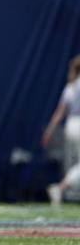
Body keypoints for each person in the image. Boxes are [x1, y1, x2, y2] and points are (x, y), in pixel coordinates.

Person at [43, 55, 80, 206]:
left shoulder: (70, 86)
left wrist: (49, 130)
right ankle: (62, 187)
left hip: (71, 125)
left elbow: (60, 112)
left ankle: (63, 188)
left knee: (73, 162)